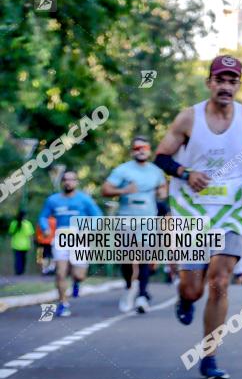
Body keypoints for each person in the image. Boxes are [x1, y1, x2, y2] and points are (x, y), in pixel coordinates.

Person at [155, 54, 242, 379]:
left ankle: (210, 356)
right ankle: (185, 298)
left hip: (232, 209)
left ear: (238, 85)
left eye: (232, 81)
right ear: (209, 83)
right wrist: (184, 172)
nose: (226, 86)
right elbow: (161, 157)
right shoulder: (187, 118)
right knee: (193, 288)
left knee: (220, 282)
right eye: (220, 80)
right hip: (191, 209)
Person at [102, 136, 167, 313]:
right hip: (126, 219)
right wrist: (123, 190)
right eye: (137, 148)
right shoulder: (122, 170)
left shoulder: (156, 171)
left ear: (149, 150)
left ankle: (142, 295)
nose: (141, 150)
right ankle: (130, 286)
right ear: (132, 151)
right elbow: (105, 190)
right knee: (128, 258)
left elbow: (163, 189)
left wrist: (161, 193)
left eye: (144, 147)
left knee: (145, 257)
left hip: (148, 220)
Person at [38, 171, 104, 317]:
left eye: (71, 180)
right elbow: (43, 216)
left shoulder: (84, 200)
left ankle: (76, 282)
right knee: (60, 273)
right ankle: (63, 304)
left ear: (76, 182)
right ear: (62, 182)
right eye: (65, 180)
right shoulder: (53, 200)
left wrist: (88, 230)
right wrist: (46, 228)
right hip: (61, 237)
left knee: (79, 275)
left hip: (80, 238)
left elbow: (98, 217)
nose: (68, 182)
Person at [8, 210, 35, 276]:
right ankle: (21, 271)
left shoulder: (13, 223)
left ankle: (18, 271)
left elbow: (11, 233)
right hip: (25, 245)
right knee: (23, 258)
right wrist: (32, 243)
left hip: (15, 244)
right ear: (24, 216)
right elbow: (30, 235)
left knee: (17, 258)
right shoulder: (27, 224)